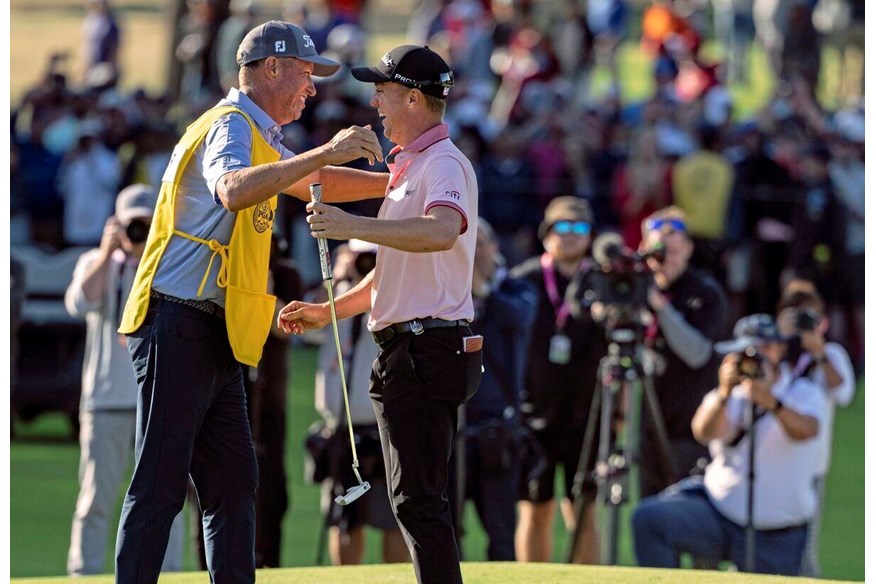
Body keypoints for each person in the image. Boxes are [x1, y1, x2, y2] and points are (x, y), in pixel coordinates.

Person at [114, 20, 385, 583]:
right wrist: (324, 152)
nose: (312, 88)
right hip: (177, 320)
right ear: (271, 68)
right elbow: (235, 189)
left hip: (214, 332)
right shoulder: (232, 125)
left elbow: (319, 183)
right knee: (161, 484)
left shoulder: (262, 136)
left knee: (235, 484)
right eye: (306, 73)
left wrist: (404, 180)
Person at [277, 45, 482, 584]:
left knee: (418, 501)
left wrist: (353, 227)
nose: (376, 102)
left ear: (414, 97)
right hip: (412, 349)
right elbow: (392, 275)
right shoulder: (412, 168)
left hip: (425, 349)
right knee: (414, 500)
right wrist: (329, 312)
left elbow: (441, 231)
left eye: (383, 91)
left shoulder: (443, 164)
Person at [632, 313, 826, 576]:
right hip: (719, 513)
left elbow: (807, 430)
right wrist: (724, 393)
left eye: (765, 348)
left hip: (776, 533)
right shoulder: (730, 395)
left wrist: (770, 402)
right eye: (749, 350)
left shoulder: (804, 392)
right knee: (650, 520)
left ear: (780, 349)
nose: (757, 357)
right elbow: (702, 431)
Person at [64, 184, 184, 576]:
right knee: (95, 497)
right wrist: (105, 251)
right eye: (132, 224)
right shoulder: (97, 263)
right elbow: (80, 302)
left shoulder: (170, 263)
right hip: (104, 402)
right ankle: (85, 571)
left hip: (157, 400)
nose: (138, 233)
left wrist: (154, 247)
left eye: (146, 224)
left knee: (166, 497)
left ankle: (171, 572)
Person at [510, 196, 604, 564]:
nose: (569, 236)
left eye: (579, 229)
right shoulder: (524, 281)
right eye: (561, 228)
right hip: (534, 416)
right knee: (534, 511)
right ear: (547, 234)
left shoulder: (603, 281)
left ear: (590, 236)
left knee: (583, 514)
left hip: (589, 417)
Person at [312, 240, 407, 566]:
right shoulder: (332, 294)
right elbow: (306, 330)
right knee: (344, 519)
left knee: (394, 520)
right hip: (341, 427)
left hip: (387, 427)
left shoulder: (398, 293)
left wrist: (373, 285)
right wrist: (338, 280)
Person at [449, 218, 537, 561]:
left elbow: (520, 318)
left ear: (494, 248)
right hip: (454, 429)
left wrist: (482, 290)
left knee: (501, 535)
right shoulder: (447, 294)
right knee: (448, 533)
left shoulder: (516, 288)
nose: (472, 252)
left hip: (497, 432)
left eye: (479, 243)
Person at [637, 206, 729, 498]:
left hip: (689, 429)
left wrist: (660, 307)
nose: (667, 260)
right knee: (647, 518)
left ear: (688, 249)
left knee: (687, 519)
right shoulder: (632, 291)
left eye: (674, 251)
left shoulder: (705, 292)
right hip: (646, 427)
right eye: (659, 253)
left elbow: (697, 353)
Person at [776, 279, 856, 577]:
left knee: (803, 552)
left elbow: (843, 393)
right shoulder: (773, 351)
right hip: (768, 462)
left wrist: (818, 353)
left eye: (807, 318)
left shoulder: (830, 354)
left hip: (810, 468)